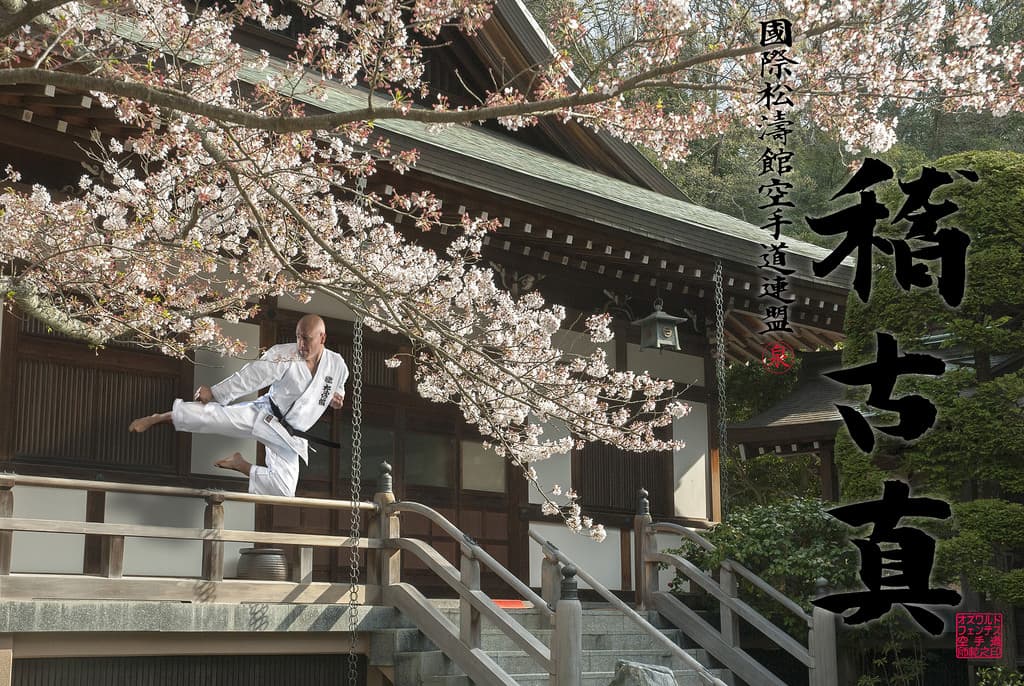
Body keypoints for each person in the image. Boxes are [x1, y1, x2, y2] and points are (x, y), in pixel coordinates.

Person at [129, 314, 348, 497]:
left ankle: (239, 463)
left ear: (322, 337)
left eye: (307, 339)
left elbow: (339, 386)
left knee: (284, 490)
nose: (301, 344)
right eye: (298, 337)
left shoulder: (337, 364)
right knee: (213, 417)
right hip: (265, 415)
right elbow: (250, 377)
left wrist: (338, 396)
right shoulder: (284, 355)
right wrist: (214, 393)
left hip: (290, 435)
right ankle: (159, 417)